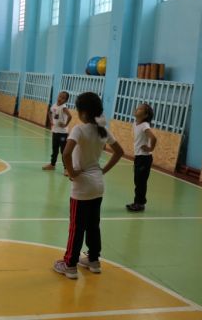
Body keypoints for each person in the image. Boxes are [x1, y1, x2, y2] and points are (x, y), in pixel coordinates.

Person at [53, 92, 123, 279]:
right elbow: (119, 152)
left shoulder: (79, 130)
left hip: (82, 187)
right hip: (98, 185)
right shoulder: (103, 130)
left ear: (83, 112)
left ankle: (70, 265)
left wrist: (72, 172)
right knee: (93, 225)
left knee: (76, 227)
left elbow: (66, 154)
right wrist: (103, 170)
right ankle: (93, 260)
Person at [126, 103, 157, 212]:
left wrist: (150, 148)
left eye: (140, 109)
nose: (137, 109)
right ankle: (137, 202)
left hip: (144, 158)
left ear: (145, 115)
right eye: (138, 107)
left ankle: (140, 204)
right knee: (137, 181)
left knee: (141, 182)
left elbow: (154, 138)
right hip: (139, 157)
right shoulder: (136, 123)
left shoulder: (144, 125)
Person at [42, 91, 72, 175]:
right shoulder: (54, 105)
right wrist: (51, 121)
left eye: (63, 98)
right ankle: (52, 165)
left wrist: (66, 125)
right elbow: (49, 112)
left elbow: (70, 116)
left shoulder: (64, 107)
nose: (60, 99)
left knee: (63, 151)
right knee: (54, 150)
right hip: (55, 131)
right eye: (60, 96)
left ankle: (66, 169)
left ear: (66, 100)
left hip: (63, 133)